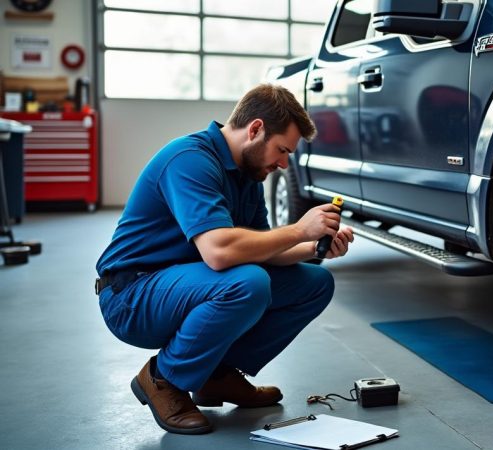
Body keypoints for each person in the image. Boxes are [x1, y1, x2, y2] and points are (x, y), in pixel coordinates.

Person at [95, 84, 354, 435]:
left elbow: (264, 248)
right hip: (132, 295)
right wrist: (298, 230)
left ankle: (216, 375)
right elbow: (219, 253)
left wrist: (314, 247)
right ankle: (163, 377)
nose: (282, 164)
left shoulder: (247, 176)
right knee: (248, 282)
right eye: (281, 150)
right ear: (256, 129)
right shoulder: (190, 160)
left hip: (184, 284)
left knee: (314, 282)